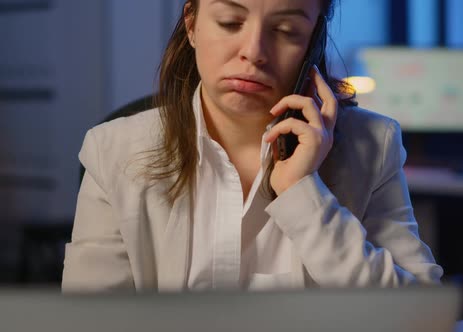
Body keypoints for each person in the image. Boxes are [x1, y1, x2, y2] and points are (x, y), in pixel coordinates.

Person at [62, 0, 443, 292]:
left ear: (312, 45)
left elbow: (419, 315)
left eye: (287, 29)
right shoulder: (112, 151)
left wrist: (303, 194)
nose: (254, 51)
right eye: (230, 22)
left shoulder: (372, 145)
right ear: (192, 25)